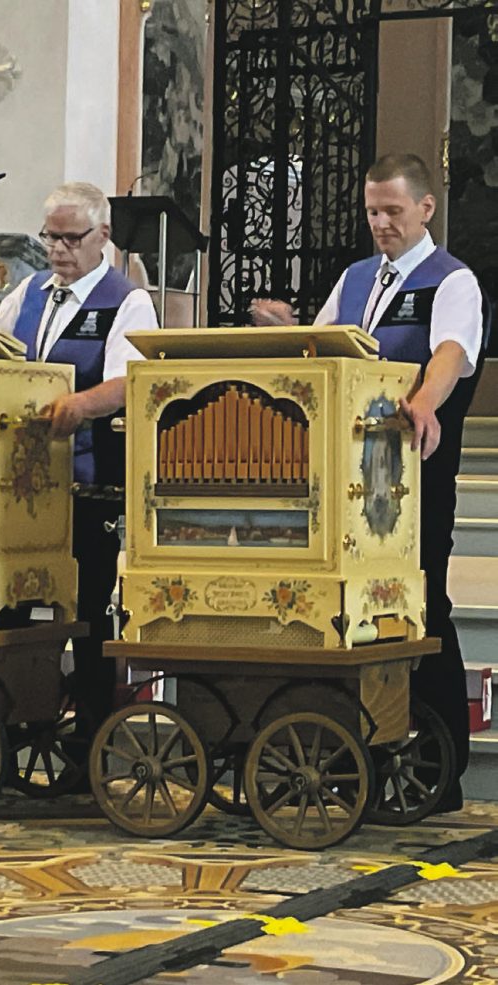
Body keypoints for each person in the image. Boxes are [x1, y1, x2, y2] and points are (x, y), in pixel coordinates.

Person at [0, 182, 159, 735]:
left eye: (71, 237)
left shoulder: (128, 299)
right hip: (16, 482)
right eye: (51, 237)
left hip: (87, 483)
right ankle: (9, 720)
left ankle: (91, 735)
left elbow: (131, 381)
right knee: (9, 600)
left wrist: (81, 403)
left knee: (87, 611)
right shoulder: (33, 290)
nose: (59, 249)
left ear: (103, 237)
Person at [317, 154, 485, 811]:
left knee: (420, 612)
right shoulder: (357, 278)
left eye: (391, 211)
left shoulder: (453, 281)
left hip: (414, 481)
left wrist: (424, 403)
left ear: (425, 208)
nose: (380, 223)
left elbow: (450, 352)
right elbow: (327, 346)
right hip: (348, 483)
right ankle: (352, 757)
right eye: (371, 212)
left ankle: (439, 772)